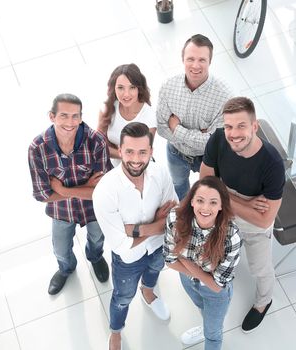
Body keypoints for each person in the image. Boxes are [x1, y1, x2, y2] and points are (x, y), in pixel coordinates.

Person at [200, 96, 285, 333]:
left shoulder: (273, 164)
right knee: (214, 251)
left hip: (254, 228)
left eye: (241, 126)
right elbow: (204, 182)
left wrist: (222, 193)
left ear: (254, 126)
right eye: (229, 126)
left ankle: (263, 302)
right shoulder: (218, 139)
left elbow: (264, 219)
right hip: (224, 213)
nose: (233, 134)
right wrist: (241, 201)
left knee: (260, 268)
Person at [92, 122, 178, 350]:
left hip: (159, 247)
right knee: (122, 298)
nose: (136, 159)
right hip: (128, 259)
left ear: (151, 151)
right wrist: (156, 223)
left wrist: (137, 229)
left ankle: (148, 293)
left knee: (155, 271)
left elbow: (173, 216)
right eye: (129, 151)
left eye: (142, 152)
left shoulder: (160, 173)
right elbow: (121, 245)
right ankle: (116, 332)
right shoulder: (105, 191)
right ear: (119, 151)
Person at [28, 93, 112, 295]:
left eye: (75, 116)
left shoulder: (96, 141)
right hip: (61, 209)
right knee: (60, 249)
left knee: (97, 238)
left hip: (94, 207)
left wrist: (63, 190)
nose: (70, 122)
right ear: (52, 116)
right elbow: (42, 195)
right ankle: (66, 268)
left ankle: (95, 258)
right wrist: (86, 189)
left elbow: (103, 191)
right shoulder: (37, 148)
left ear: (81, 117)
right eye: (64, 116)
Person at [163, 176, 241, 350]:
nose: (205, 208)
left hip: (216, 294)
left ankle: (210, 329)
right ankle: (206, 324)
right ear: (191, 202)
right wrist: (199, 274)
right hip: (188, 281)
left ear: (221, 206)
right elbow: (169, 260)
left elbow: (216, 286)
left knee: (213, 336)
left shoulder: (231, 237)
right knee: (201, 307)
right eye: (200, 200)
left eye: (213, 202)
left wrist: (184, 260)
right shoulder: (175, 218)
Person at [156, 33, 233, 200]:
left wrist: (176, 128)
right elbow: (162, 128)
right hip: (176, 153)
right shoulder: (168, 87)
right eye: (190, 59)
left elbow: (214, 142)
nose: (195, 65)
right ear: (182, 59)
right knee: (178, 186)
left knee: (209, 193)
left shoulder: (224, 97)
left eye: (202, 60)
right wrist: (200, 134)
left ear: (210, 62)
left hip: (208, 157)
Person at [98, 63, 156, 167]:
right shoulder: (107, 109)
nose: (126, 94)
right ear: (113, 89)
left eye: (132, 87)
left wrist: (116, 152)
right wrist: (125, 155)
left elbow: (143, 153)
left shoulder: (149, 116)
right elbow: (97, 145)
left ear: (139, 88)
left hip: (140, 167)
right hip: (113, 167)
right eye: (120, 87)